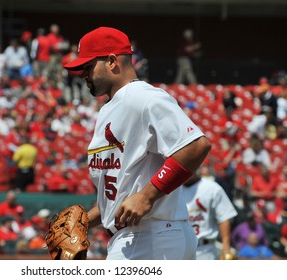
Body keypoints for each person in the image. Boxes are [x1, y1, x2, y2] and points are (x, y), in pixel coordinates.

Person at [63, 26, 211, 260]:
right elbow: (125, 193)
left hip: (150, 236)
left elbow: (195, 146)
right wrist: (84, 221)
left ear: (112, 61)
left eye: (88, 66)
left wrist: (147, 196)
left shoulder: (142, 97)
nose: (82, 74)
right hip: (142, 236)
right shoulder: (110, 109)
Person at [182, 169, 238, 260]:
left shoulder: (212, 188)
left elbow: (224, 217)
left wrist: (226, 248)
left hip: (205, 249)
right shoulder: (173, 189)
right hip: (179, 247)